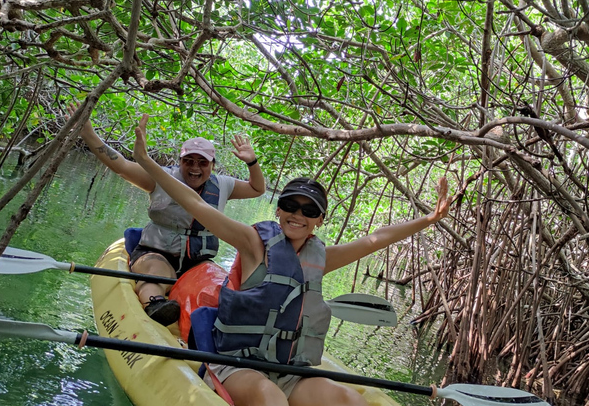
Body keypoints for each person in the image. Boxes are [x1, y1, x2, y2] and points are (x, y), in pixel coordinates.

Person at [131, 114, 452, 406]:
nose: (299, 215)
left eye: (309, 211)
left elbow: (375, 239)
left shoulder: (319, 258)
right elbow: (195, 203)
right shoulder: (252, 243)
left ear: (319, 220)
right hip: (237, 363)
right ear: (279, 210)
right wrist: (147, 162)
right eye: (292, 206)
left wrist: (428, 219)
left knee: (346, 398)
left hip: (285, 368)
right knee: (270, 398)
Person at [68, 104, 266, 325]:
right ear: (180, 161)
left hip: (197, 261)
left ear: (212, 165)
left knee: (216, 288)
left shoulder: (224, 185)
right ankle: (155, 304)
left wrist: (252, 162)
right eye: (188, 161)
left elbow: (257, 188)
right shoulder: (161, 177)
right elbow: (121, 166)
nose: (195, 168)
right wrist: (88, 134)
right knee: (159, 273)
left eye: (202, 162)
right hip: (157, 251)